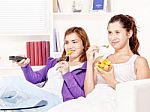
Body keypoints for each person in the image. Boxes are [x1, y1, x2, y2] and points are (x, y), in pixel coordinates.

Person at [47, 14, 150, 112]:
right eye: (110, 32)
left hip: (112, 103)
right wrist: (90, 61)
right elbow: (88, 93)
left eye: (117, 32)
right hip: (91, 100)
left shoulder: (139, 62)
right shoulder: (100, 59)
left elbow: (141, 101)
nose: (112, 37)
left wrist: (111, 81)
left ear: (129, 33)